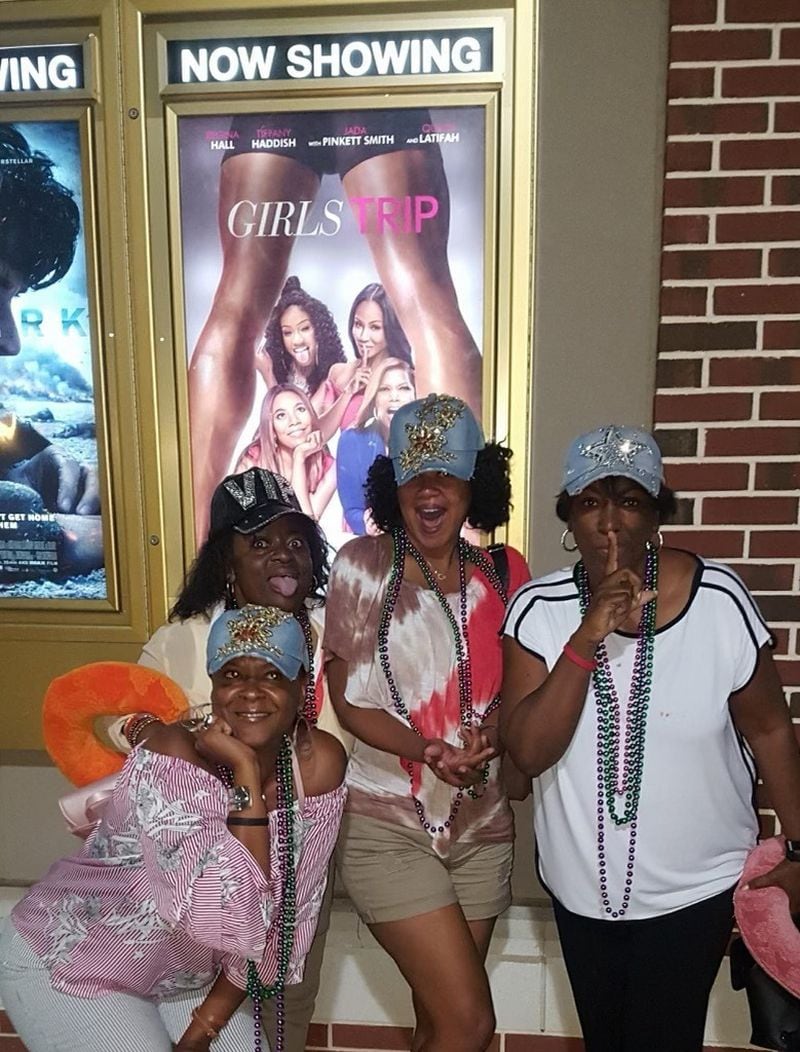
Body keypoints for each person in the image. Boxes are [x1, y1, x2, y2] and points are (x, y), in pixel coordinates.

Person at [500, 424, 800, 1052]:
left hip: (697, 890)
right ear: (568, 517)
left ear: (659, 514)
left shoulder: (719, 600)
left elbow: (771, 729)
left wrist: (799, 853)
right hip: (581, 892)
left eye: (630, 500)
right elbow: (526, 752)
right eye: (590, 502)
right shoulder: (539, 609)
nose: (610, 522)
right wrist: (587, 636)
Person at [0, 604, 347, 1052]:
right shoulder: (174, 753)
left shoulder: (317, 765)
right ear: (214, 685)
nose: (251, 694)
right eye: (232, 675)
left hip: (188, 975)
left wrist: (202, 1031)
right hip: (75, 961)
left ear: (302, 685)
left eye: (273, 675)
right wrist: (244, 773)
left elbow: (286, 924)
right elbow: (222, 919)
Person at [324, 393, 531, 1052]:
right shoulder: (360, 566)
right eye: (416, 472)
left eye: (449, 470)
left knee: (440, 1023)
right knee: (471, 1023)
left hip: (483, 823)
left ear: (477, 485)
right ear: (394, 485)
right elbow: (348, 701)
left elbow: (522, 690)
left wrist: (490, 732)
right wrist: (428, 748)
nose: (432, 486)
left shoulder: (506, 571)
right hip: (386, 823)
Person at [110, 467, 342, 1052]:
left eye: (294, 541)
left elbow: (343, 746)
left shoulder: (328, 631)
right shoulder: (186, 636)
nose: (282, 557)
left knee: (284, 1004)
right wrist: (167, 730)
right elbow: (117, 722)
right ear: (227, 558)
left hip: (298, 857)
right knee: (194, 1007)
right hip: (194, 877)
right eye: (259, 542)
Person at [188, 108, 482, 542]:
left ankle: (198, 555)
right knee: (429, 308)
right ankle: (468, 555)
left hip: (278, 76)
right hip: (372, 69)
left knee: (235, 308)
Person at [257, 275, 369, 443]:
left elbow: (302, 431)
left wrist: (267, 376)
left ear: (319, 330)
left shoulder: (332, 376)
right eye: (288, 332)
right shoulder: (281, 369)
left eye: (304, 328)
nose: (297, 340)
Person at [336, 356, 415, 534]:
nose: (394, 397)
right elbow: (352, 510)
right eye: (384, 389)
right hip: (375, 548)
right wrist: (367, 523)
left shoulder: (431, 443)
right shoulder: (352, 441)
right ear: (374, 398)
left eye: (403, 388)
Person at [236, 385, 336, 520]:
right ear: (272, 427)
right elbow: (235, 522)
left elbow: (306, 525)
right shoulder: (253, 459)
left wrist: (299, 458)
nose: (294, 421)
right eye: (281, 415)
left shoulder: (328, 467)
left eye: (300, 409)